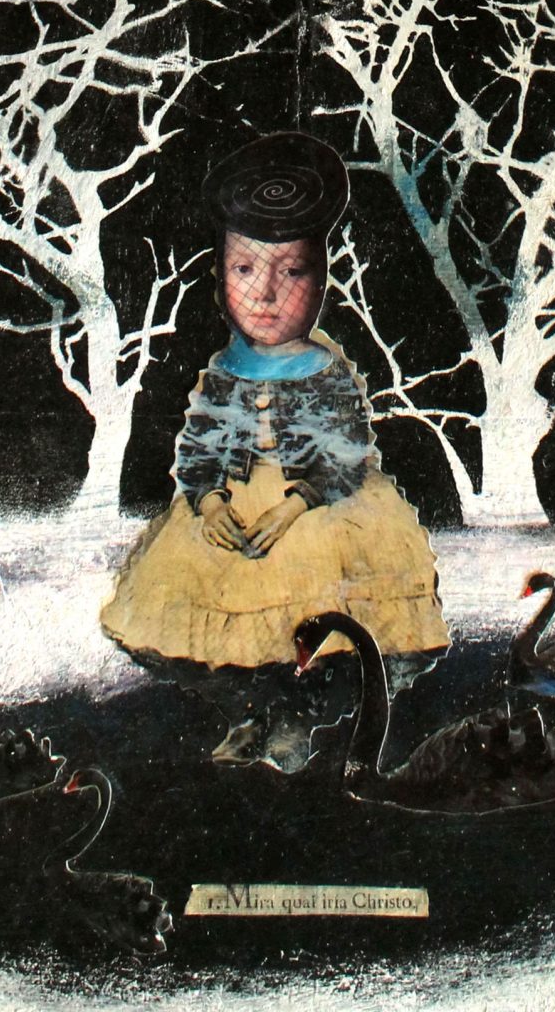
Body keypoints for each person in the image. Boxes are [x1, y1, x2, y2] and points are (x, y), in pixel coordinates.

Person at [99, 133, 448, 768]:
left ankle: (296, 718)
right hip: (236, 504)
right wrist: (209, 502)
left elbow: (344, 451)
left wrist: (295, 505)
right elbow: (200, 448)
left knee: (312, 596)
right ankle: (249, 712)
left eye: (291, 272)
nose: (265, 295)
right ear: (219, 279)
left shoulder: (323, 370)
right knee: (208, 594)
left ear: (321, 280)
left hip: (319, 510)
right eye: (244, 270)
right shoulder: (224, 372)